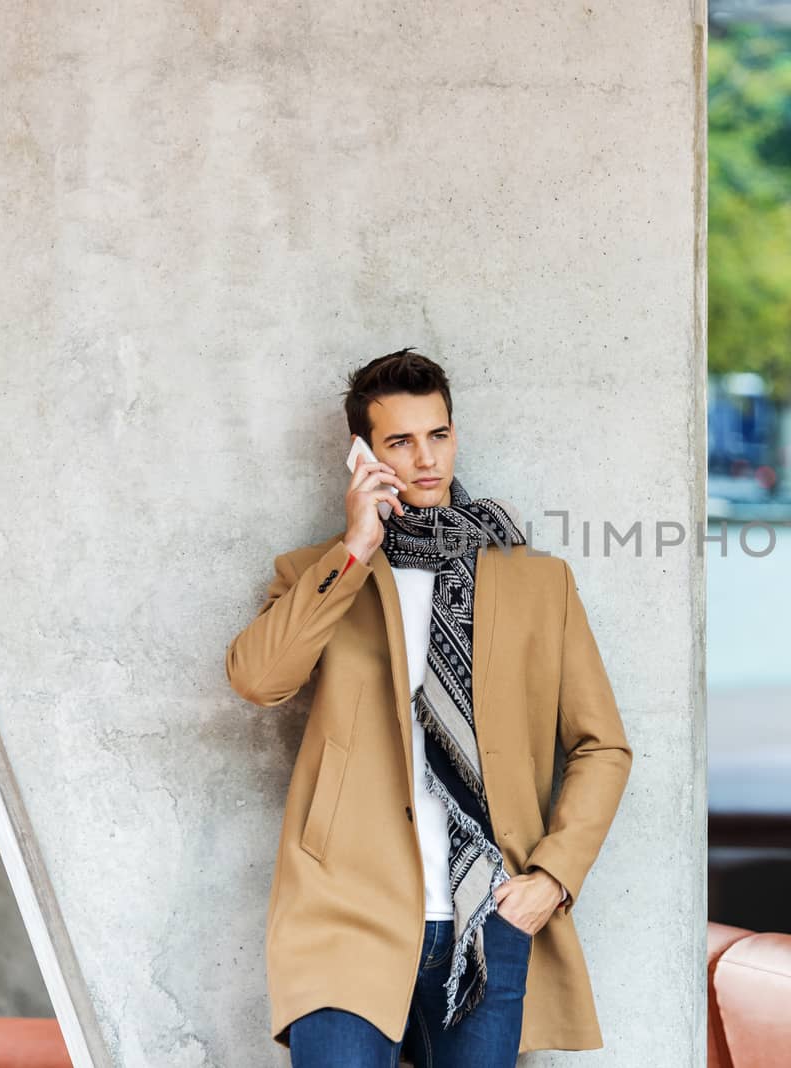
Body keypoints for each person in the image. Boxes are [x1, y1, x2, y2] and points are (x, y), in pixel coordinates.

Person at [225, 348, 632, 1067]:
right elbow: (259, 679)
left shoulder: (536, 581)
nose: (425, 459)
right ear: (363, 454)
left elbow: (603, 745)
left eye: (437, 435)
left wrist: (552, 878)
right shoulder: (319, 573)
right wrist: (355, 547)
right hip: (344, 908)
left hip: (487, 912)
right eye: (399, 442)